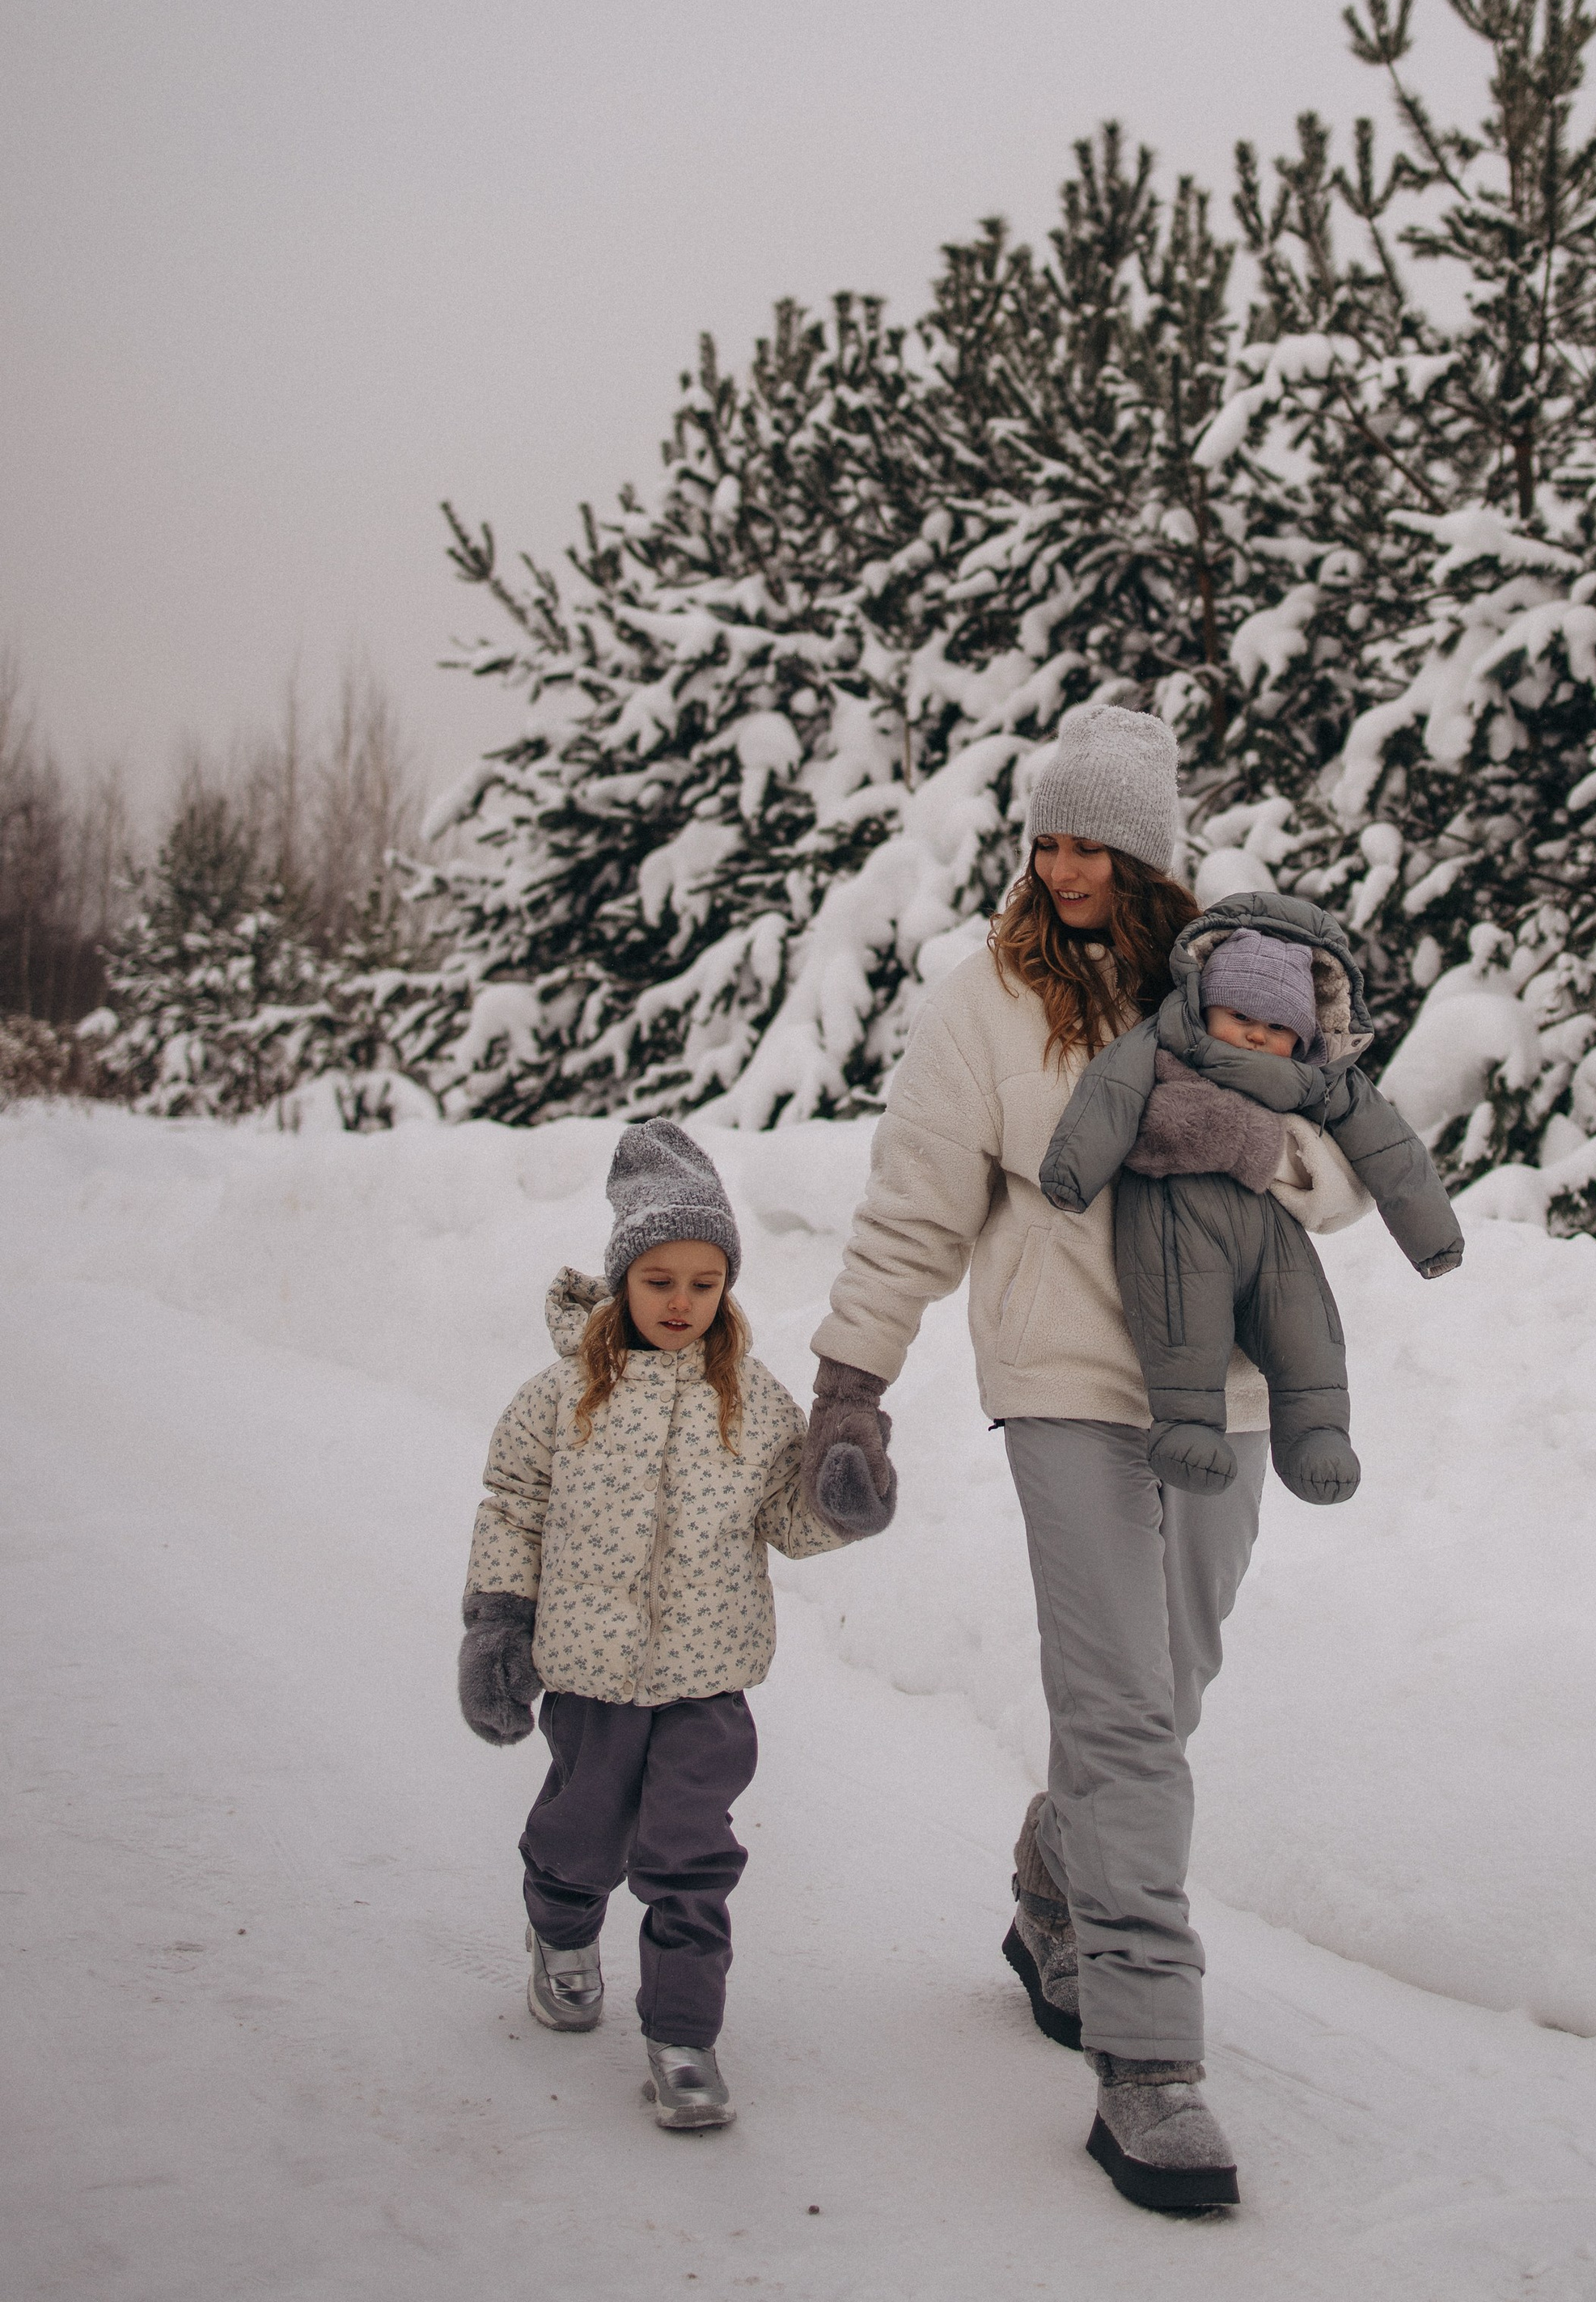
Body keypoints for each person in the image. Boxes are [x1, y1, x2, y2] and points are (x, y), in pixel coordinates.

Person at [800, 702, 1451, 2215]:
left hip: (1223, 1386)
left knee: (1171, 1684)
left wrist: (1249, 1144)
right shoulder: (986, 1005)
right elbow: (912, 1208)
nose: (1067, 867)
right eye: (1050, 839)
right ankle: (1149, 2061)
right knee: (1121, 1714)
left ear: (1152, 853)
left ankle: (1056, 1880)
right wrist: (851, 1387)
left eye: (1096, 842)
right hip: (1063, 1388)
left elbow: (1345, 1160)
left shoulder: (1229, 974)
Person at [457, 1119, 850, 2132]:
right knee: (581, 1837)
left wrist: (841, 1500)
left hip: (707, 1682)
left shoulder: (752, 1400)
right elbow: (514, 1508)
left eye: (704, 1283)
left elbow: (786, 1518)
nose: (682, 1302)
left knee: (690, 1857)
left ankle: (683, 2035)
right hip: (589, 1677)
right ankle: (561, 1930)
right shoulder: (560, 1398)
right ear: (622, 1279)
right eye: (659, 1280)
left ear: (727, 1288)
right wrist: (498, 1625)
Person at [1039, 901, 1465, 1506]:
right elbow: (1109, 1093)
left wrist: (1432, 1236)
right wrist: (1073, 1170)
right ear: (1205, 1003)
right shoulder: (1163, 1043)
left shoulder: (1323, 1082)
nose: (1257, 1034)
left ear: (1305, 1035)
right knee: (1183, 1321)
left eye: (1278, 1025)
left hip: (1273, 1231)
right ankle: (1188, 1426)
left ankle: (1317, 1436)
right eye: (1239, 1015)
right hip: (1176, 1217)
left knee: (1306, 1327)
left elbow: (1391, 1149)